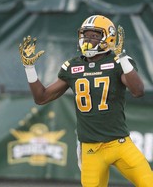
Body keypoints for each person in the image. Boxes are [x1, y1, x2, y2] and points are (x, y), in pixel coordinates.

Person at [18, 15, 153, 186]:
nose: (88, 39)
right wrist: (29, 68)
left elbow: (138, 91)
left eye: (95, 35)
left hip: (119, 144)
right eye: (85, 35)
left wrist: (122, 57)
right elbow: (42, 97)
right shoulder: (72, 66)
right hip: (91, 149)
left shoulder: (118, 62)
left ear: (108, 37)